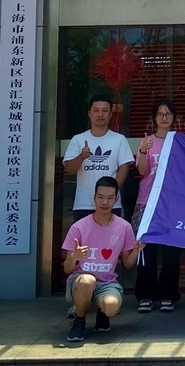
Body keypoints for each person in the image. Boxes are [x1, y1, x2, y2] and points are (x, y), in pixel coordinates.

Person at [62, 94, 134, 318]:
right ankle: (80, 298)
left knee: (111, 253)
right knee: (81, 253)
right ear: (89, 113)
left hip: (111, 206)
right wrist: (82, 157)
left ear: (111, 114)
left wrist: (110, 195)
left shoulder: (118, 140)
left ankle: (106, 296)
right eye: (96, 110)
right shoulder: (79, 139)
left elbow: (124, 167)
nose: (100, 115)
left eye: (104, 110)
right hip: (84, 204)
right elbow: (69, 168)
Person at [62, 176, 144, 342]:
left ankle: (102, 313)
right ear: (94, 198)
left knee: (111, 306)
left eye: (110, 198)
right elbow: (67, 269)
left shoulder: (124, 227)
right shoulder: (79, 227)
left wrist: (137, 250)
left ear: (116, 199)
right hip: (80, 282)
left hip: (107, 284)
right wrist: (74, 258)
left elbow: (128, 264)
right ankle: (79, 320)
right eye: (100, 197)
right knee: (87, 281)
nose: (105, 202)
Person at [133, 99, 182, 313]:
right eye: (160, 114)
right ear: (154, 118)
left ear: (173, 117)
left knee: (171, 252)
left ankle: (168, 296)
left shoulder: (179, 141)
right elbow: (142, 172)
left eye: (168, 113)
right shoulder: (147, 142)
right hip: (147, 202)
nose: (164, 117)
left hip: (172, 204)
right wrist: (143, 152)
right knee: (146, 251)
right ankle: (146, 295)